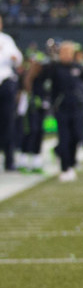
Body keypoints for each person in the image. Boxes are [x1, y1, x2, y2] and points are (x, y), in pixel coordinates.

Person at [39, 40, 83, 182]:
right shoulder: (54, 68)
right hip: (61, 108)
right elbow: (42, 81)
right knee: (64, 138)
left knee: (76, 136)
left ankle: (70, 161)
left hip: (76, 107)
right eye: (64, 52)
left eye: (69, 52)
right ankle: (65, 168)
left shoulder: (76, 67)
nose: (67, 55)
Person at [0, 15, 24, 172]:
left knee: (8, 123)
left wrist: (14, 58)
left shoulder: (6, 39)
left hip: (5, 85)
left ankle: (9, 160)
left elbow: (18, 58)